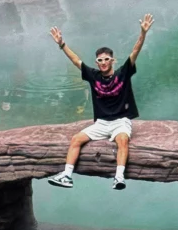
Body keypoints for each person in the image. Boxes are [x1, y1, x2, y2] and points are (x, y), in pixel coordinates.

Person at [47, 15, 154, 191]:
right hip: (102, 123)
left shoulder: (123, 73)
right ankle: (66, 175)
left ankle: (119, 177)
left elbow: (135, 52)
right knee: (76, 139)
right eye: (100, 60)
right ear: (97, 62)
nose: (103, 63)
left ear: (112, 60)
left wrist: (142, 33)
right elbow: (76, 60)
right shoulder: (93, 75)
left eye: (106, 59)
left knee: (122, 140)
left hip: (121, 120)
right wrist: (62, 44)